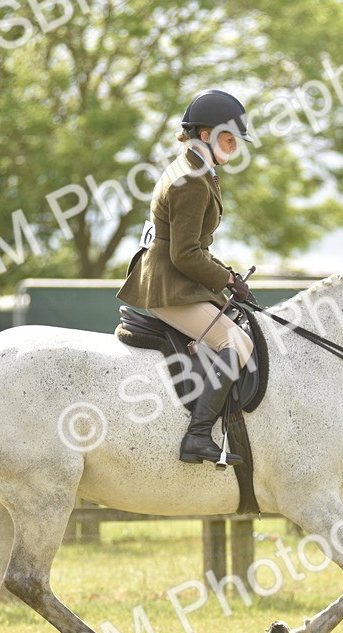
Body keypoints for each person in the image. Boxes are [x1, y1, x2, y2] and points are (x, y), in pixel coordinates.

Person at [117, 89, 256, 466]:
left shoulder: (193, 168)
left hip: (173, 277)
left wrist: (226, 274)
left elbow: (192, 246)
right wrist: (226, 281)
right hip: (167, 285)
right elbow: (185, 254)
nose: (235, 147)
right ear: (206, 135)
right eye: (229, 138)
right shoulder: (192, 181)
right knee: (236, 343)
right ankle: (197, 436)